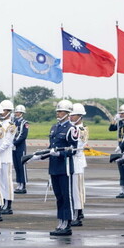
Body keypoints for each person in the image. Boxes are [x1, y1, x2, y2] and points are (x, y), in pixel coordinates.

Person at [44, 100, 78, 236]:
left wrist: (60, 153)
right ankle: (60, 221)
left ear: (68, 113)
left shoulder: (71, 128)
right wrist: (42, 155)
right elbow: (50, 146)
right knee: (58, 196)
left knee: (66, 196)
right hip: (54, 167)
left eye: (61, 111)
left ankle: (67, 223)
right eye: (57, 111)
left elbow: (74, 149)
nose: (58, 113)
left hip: (65, 167)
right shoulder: (54, 127)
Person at [108, 104, 124, 198]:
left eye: (123, 113)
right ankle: (122, 188)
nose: (121, 115)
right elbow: (111, 129)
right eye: (120, 113)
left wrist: (121, 147)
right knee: (121, 169)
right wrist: (114, 120)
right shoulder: (120, 123)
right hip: (120, 147)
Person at [70, 103, 88, 227]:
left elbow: (78, 146)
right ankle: (74, 211)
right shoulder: (71, 128)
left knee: (78, 190)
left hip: (77, 161)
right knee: (72, 189)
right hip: (70, 161)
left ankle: (78, 213)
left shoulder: (81, 130)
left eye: (74, 115)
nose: (71, 117)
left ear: (80, 116)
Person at [0, 100, 17, 214]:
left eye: (4, 110)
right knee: (0, 182)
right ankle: (2, 202)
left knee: (7, 181)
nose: (1, 113)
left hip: (5, 157)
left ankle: (8, 203)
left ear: (9, 112)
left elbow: (7, 142)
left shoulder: (11, 126)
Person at [13, 104, 29, 194]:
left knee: (21, 166)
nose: (17, 113)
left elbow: (23, 135)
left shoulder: (24, 123)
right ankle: (18, 183)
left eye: (18, 112)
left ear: (22, 113)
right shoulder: (14, 122)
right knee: (16, 166)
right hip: (14, 147)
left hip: (20, 147)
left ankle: (23, 184)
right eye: (16, 112)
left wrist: (14, 142)